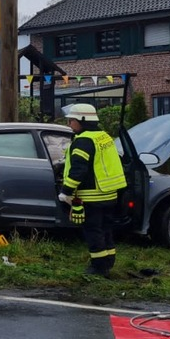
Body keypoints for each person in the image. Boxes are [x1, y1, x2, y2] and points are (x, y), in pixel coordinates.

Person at [58, 103, 127, 277]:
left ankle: (98, 267)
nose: (69, 124)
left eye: (71, 120)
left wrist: (66, 191)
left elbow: (78, 171)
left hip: (92, 196)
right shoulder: (103, 136)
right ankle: (109, 261)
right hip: (109, 194)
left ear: (82, 120)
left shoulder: (83, 141)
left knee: (93, 231)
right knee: (105, 229)